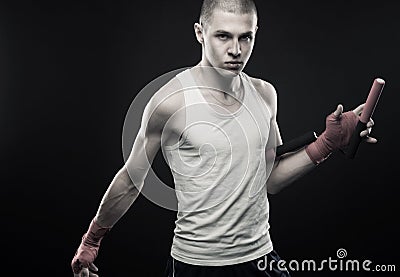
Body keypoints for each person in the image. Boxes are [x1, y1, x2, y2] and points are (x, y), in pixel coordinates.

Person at [71, 0, 377, 276]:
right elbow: (130, 180)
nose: (236, 50)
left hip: (261, 257)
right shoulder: (170, 102)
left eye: (246, 37)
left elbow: (270, 179)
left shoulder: (265, 94)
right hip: (196, 265)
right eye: (223, 36)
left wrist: (327, 143)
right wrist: (91, 239)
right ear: (200, 33)